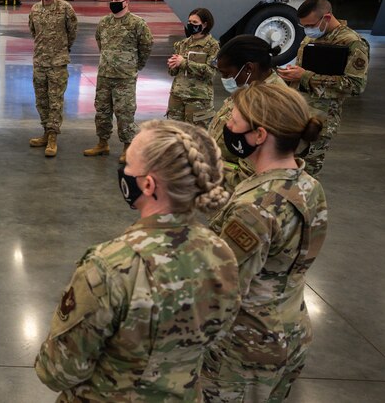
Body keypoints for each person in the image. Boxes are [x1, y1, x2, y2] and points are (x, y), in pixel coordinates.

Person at [36, 119, 240, 402]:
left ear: (148, 184)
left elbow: (58, 371)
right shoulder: (222, 253)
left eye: (128, 164)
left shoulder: (108, 267)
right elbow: (218, 335)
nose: (123, 172)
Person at [201, 82, 327, 402]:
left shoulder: (255, 207)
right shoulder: (307, 183)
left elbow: (221, 287)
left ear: (259, 135)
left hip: (245, 349)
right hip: (291, 328)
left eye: (235, 120)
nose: (227, 124)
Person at [278, 0, 370, 176]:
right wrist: (291, 75)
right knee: (288, 171)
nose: (308, 29)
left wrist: (304, 76)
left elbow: (356, 85)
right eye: (304, 26)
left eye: (311, 24)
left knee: (306, 175)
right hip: (299, 114)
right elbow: (303, 73)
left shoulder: (352, 42)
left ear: (326, 18)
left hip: (321, 120)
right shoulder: (311, 37)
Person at [207, 35, 285, 192]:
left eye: (227, 74)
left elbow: (248, 176)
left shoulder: (268, 103)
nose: (225, 79)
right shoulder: (251, 87)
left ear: (249, 68)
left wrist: (203, 166)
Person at [84, 0, 153, 163]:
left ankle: (127, 147)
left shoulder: (137, 23)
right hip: (105, 76)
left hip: (125, 77)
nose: (113, 2)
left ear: (126, 2)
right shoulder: (104, 22)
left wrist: (135, 65)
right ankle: (102, 143)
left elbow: (146, 46)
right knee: (102, 112)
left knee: (125, 114)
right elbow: (101, 43)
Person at [28, 0, 78, 157]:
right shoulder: (34, 9)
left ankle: (52, 138)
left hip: (57, 63)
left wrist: (61, 49)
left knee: (55, 102)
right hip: (40, 62)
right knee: (41, 101)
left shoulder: (66, 8)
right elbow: (33, 31)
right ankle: (45, 132)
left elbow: (72, 33)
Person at [166, 8, 220, 128]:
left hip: (198, 99)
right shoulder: (182, 44)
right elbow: (173, 72)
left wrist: (185, 63)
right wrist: (172, 65)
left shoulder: (213, 46)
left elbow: (210, 72)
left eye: (195, 23)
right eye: (189, 22)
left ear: (205, 24)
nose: (190, 25)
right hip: (177, 96)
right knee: (174, 133)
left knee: (196, 135)